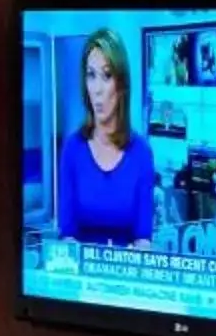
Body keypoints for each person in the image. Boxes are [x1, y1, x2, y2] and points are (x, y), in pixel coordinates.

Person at [54, 27, 157, 245]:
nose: (97, 89)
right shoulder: (73, 149)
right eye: (91, 75)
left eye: (107, 75)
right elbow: (67, 235)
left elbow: (143, 239)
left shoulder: (141, 154)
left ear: (121, 85)